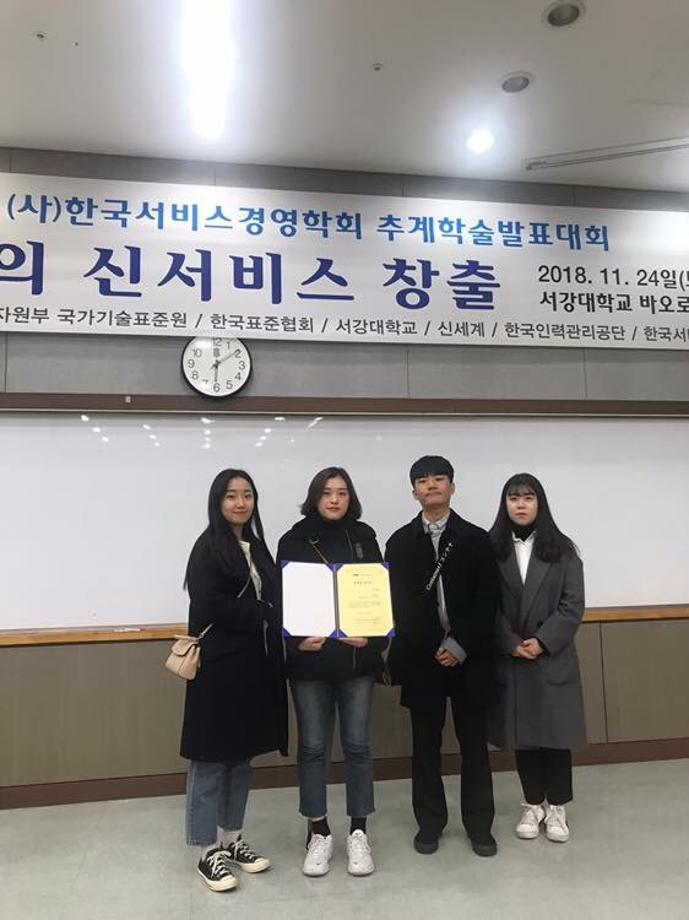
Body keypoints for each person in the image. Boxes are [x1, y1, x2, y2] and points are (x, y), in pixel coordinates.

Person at [385, 456, 499, 858]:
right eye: (422, 480)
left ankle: (480, 826)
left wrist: (458, 645)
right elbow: (399, 604)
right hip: (422, 660)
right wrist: (435, 644)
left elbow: (488, 599)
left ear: (452, 487)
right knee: (425, 747)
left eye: (439, 479)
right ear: (413, 491)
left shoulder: (476, 538)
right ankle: (430, 824)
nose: (431, 485)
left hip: (470, 659)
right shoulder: (399, 542)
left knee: (474, 747)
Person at [276, 467, 387, 878]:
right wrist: (295, 643)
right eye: (327, 492)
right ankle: (318, 831)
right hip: (309, 665)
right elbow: (280, 601)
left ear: (350, 497)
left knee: (357, 746)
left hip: (356, 664)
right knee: (312, 748)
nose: (335, 499)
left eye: (342, 492)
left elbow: (380, 596)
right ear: (314, 497)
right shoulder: (293, 540)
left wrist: (372, 639)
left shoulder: (364, 536)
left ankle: (359, 831)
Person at [180, 469, 287, 891]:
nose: (240, 503)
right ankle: (206, 851)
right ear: (217, 502)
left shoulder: (257, 546)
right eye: (231, 496)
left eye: (247, 495)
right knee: (209, 761)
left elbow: (276, 597)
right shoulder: (207, 547)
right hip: (217, 669)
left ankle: (232, 838)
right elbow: (209, 605)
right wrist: (262, 612)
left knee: (241, 760)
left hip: (253, 668)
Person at [488, 472, 585, 844]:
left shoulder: (562, 549)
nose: (521, 504)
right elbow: (486, 604)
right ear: (505, 504)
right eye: (513, 498)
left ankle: (557, 806)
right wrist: (510, 642)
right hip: (513, 656)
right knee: (524, 737)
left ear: (539, 503)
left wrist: (543, 641)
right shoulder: (492, 548)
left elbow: (573, 604)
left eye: (528, 497)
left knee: (556, 737)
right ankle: (532, 804)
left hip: (551, 656)